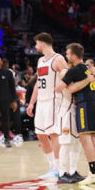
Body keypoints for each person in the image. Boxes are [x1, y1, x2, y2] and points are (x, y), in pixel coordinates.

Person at [56, 43, 95, 185]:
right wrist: (93, 77)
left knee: (85, 138)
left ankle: (93, 172)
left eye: (68, 53)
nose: (66, 55)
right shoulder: (89, 68)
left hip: (85, 105)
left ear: (74, 56)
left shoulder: (73, 71)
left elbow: (61, 88)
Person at [27, 33, 65, 179]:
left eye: (36, 44)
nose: (35, 47)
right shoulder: (40, 60)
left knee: (54, 134)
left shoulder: (58, 59)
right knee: (40, 133)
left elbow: (68, 77)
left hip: (54, 100)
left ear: (42, 43)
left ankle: (59, 166)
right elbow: (38, 83)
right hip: (42, 101)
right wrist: (31, 102)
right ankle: (51, 165)